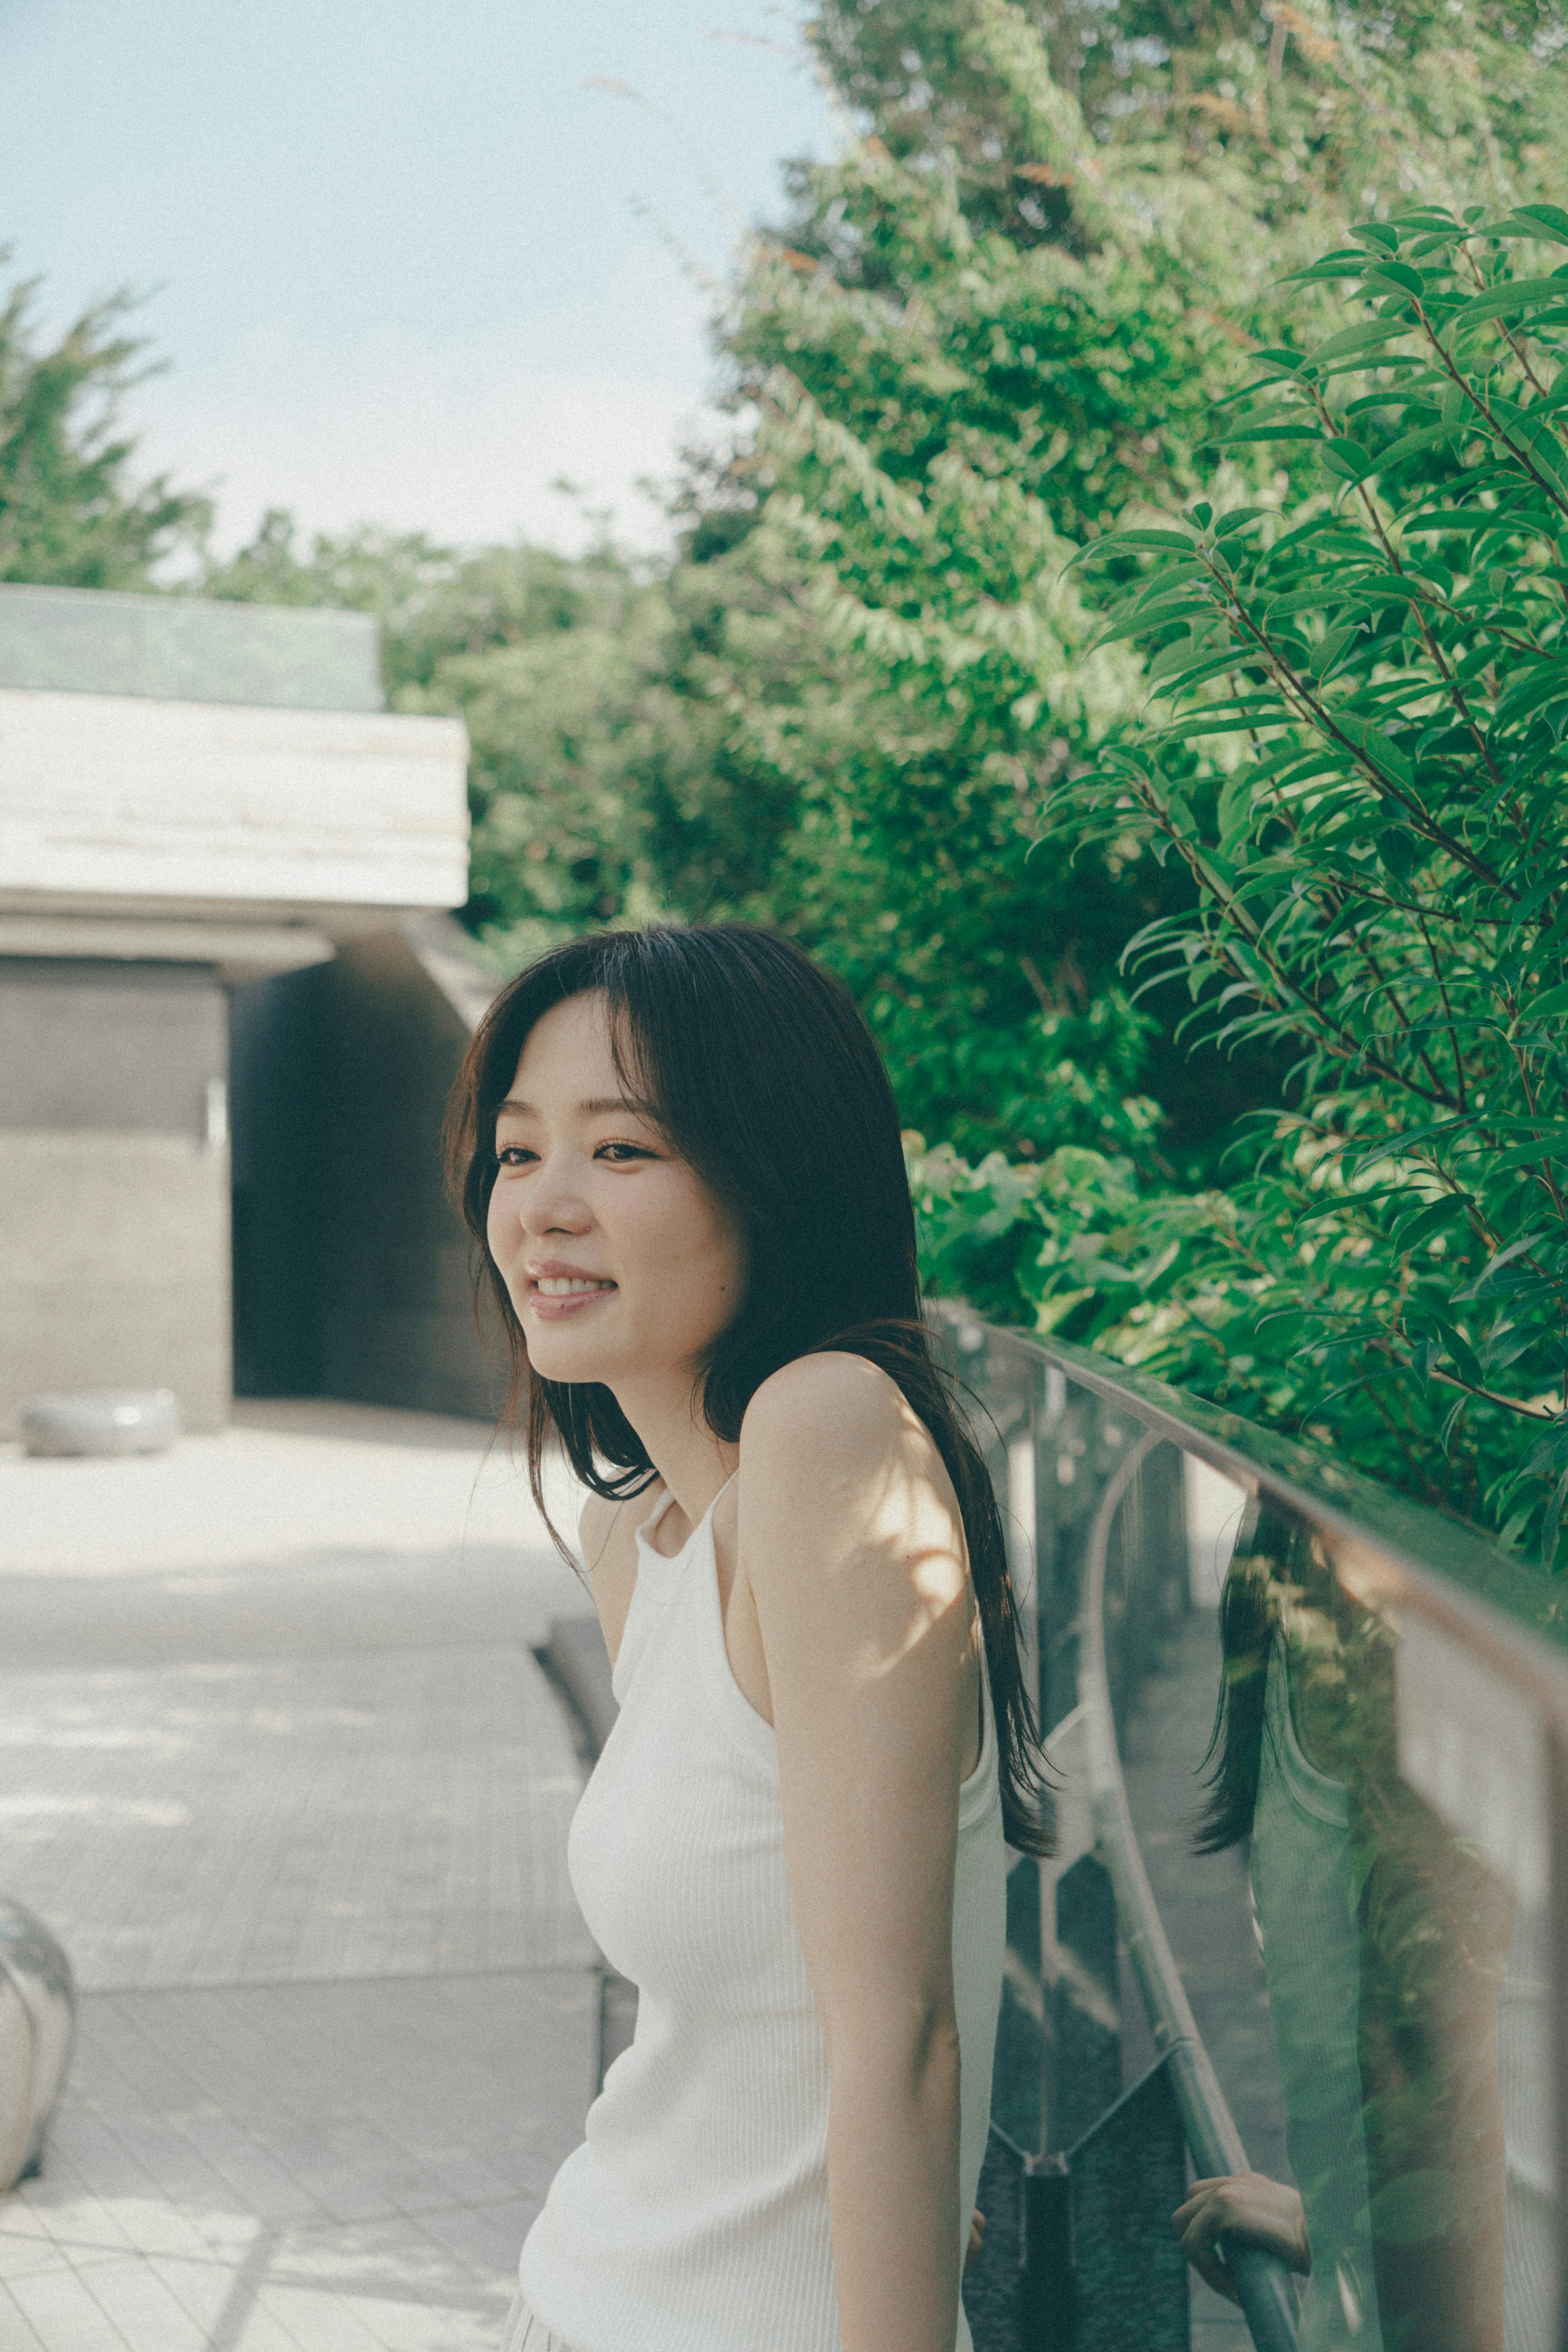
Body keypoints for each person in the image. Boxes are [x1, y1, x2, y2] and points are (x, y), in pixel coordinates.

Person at [443, 924, 1050, 2352]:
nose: (544, 1208)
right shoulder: (637, 1537)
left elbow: (901, 2040)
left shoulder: (830, 1425)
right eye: (519, 1155)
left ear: (776, 1180)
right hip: (582, 2292)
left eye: (625, 1151)